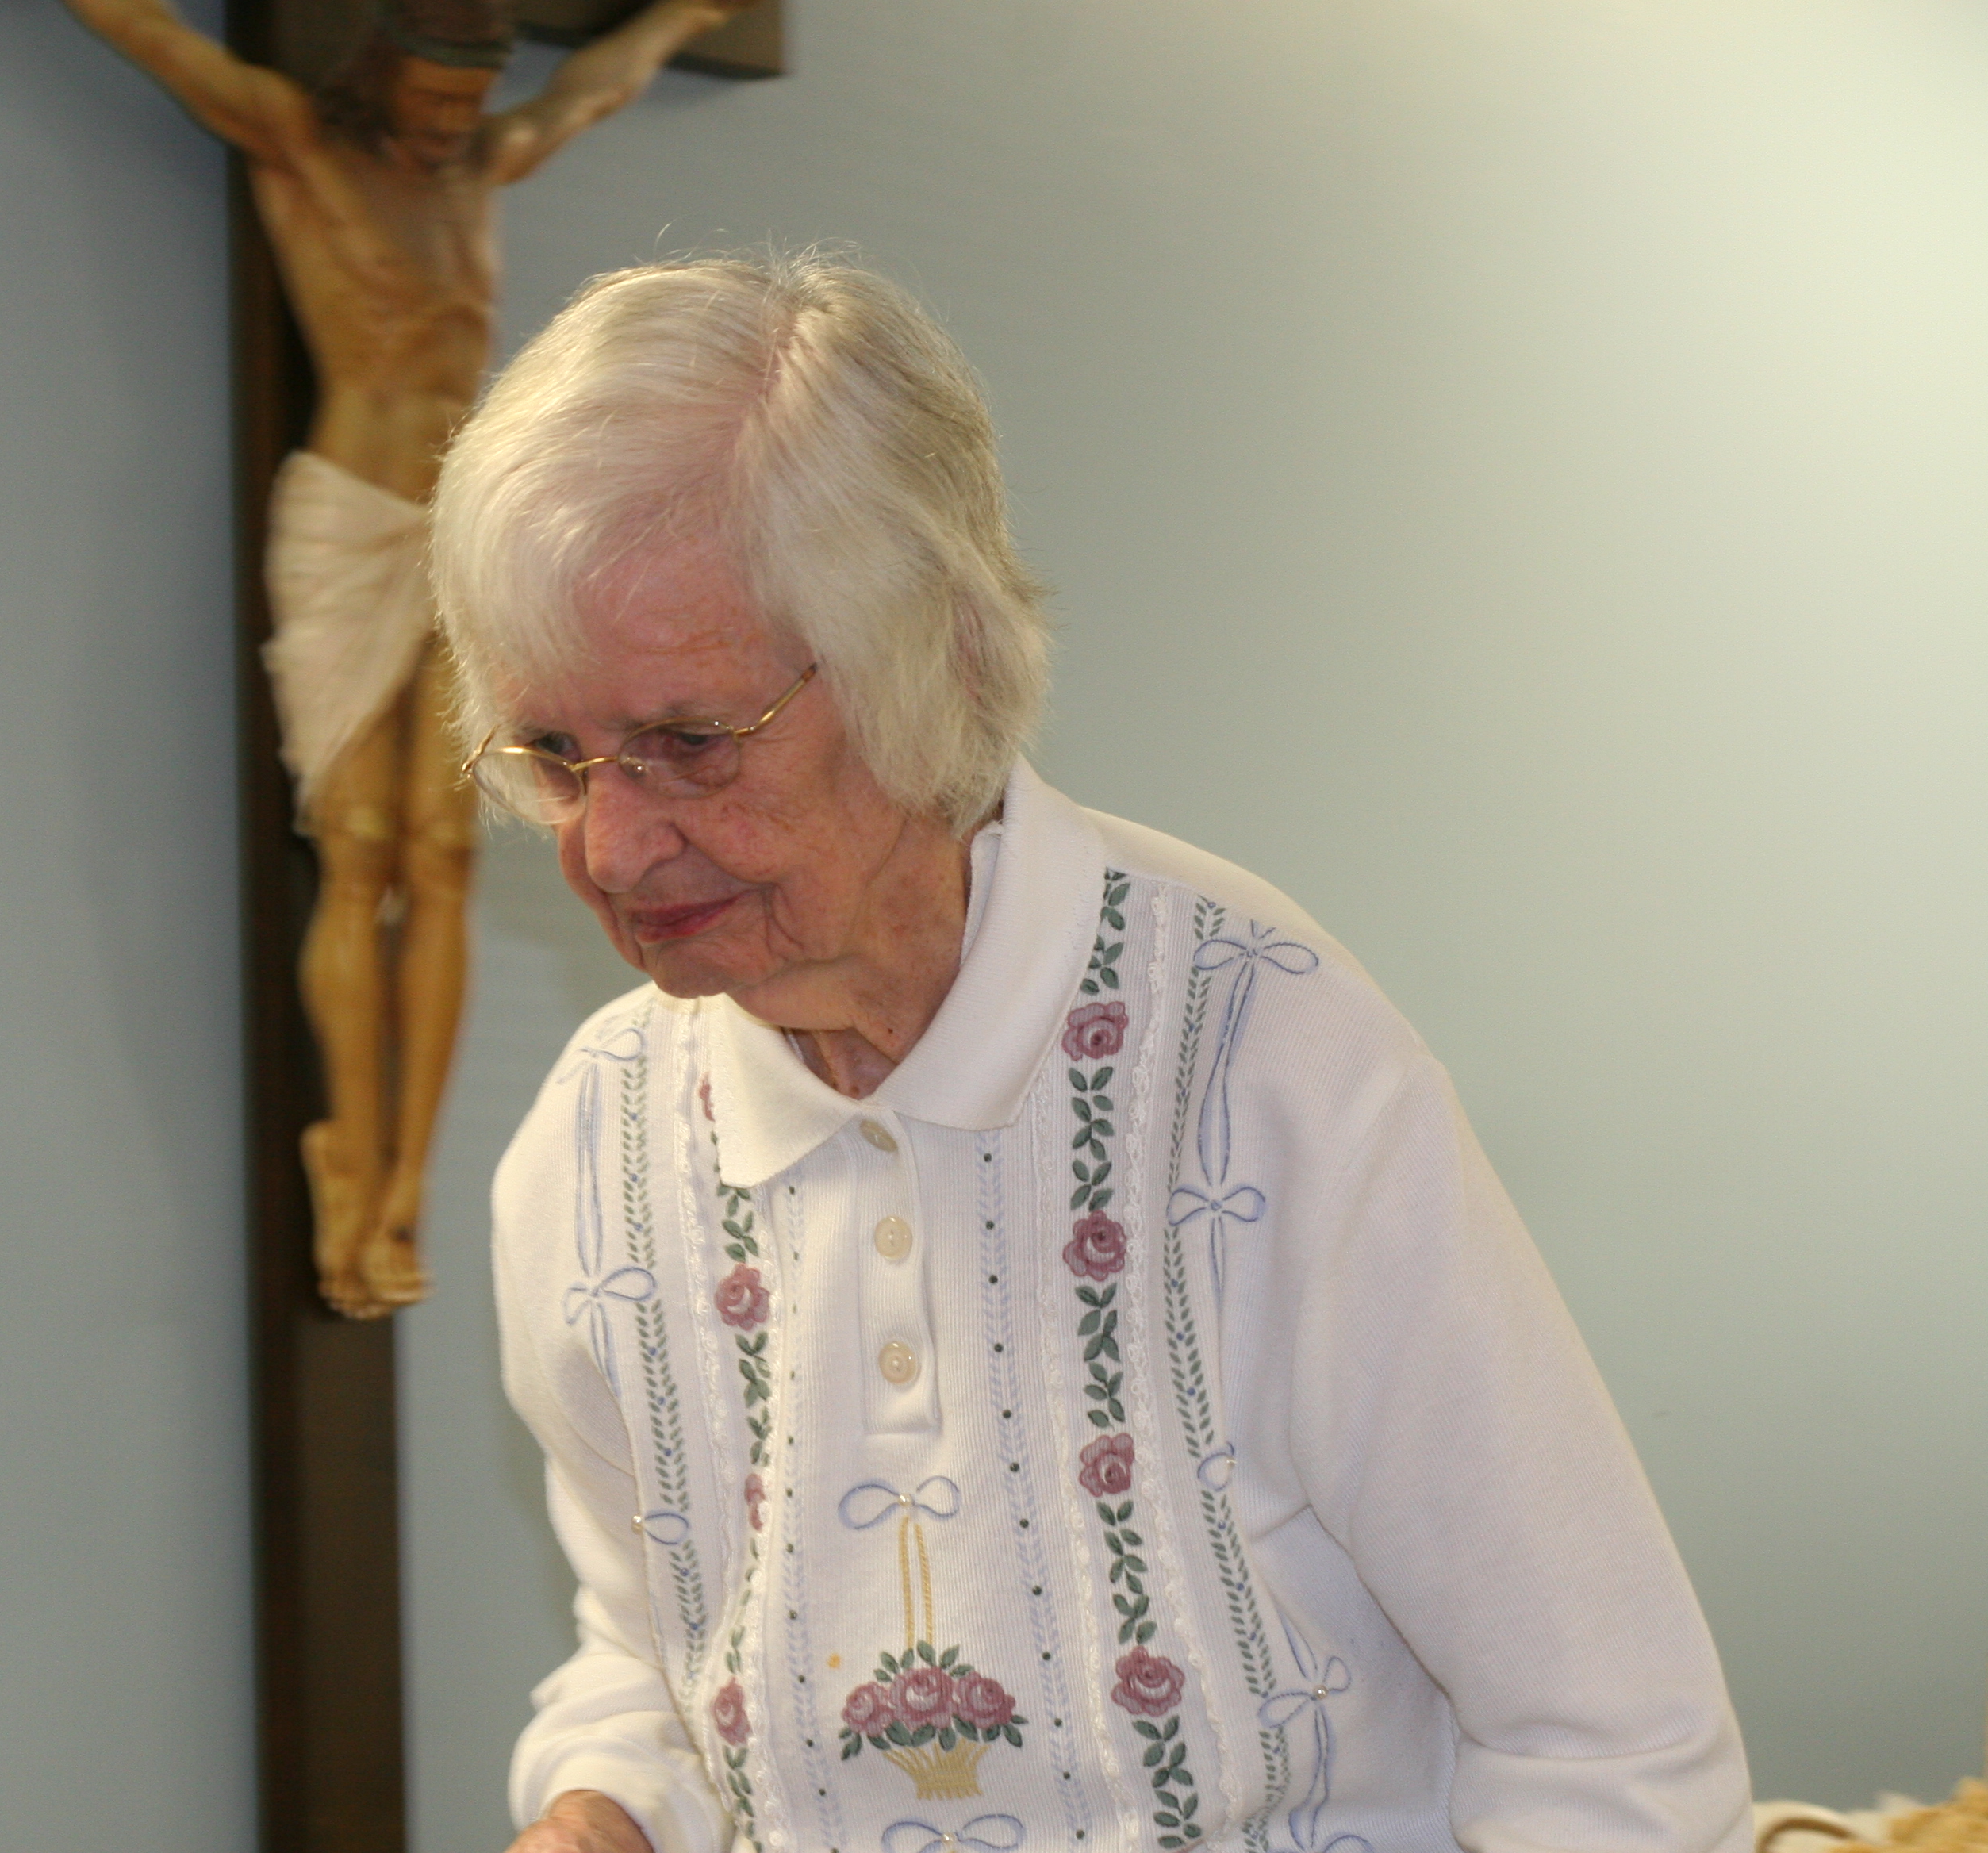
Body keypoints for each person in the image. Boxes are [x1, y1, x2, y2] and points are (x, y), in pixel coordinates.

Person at [428, 255, 1755, 1853]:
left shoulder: (1265, 1066)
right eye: (557, 754)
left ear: (935, 660)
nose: (611, 845)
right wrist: (604, 1810)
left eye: (690, 743)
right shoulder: (594, 1150)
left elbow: (1617, 1753)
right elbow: (654, 1656)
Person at [61, 0, 754, 1317]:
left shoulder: (480, 167)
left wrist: (676, 16)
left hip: (464, 540)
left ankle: (401, 1194)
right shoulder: (301, 147)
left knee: (444, 860)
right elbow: (155, 37)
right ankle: (345, 1154)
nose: (450, 129)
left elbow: (591, 90)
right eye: (431, 105)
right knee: (362, 851)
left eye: (466, 106)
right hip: (350, 521)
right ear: (385, 80)